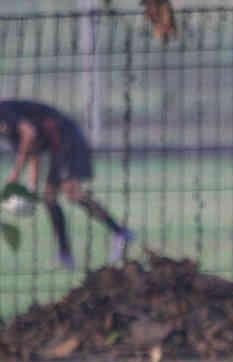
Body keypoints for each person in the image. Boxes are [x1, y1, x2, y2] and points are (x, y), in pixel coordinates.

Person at [0, 99, 134, 268]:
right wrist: (31, 187)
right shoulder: (7, 130)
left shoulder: (3, 111)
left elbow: (29, 133)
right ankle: (65, 255)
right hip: (59, 148)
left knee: (72, 193)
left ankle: (120, 232)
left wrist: (16, 174)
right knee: (49, 198)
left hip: (68, 140)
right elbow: (33, 151)